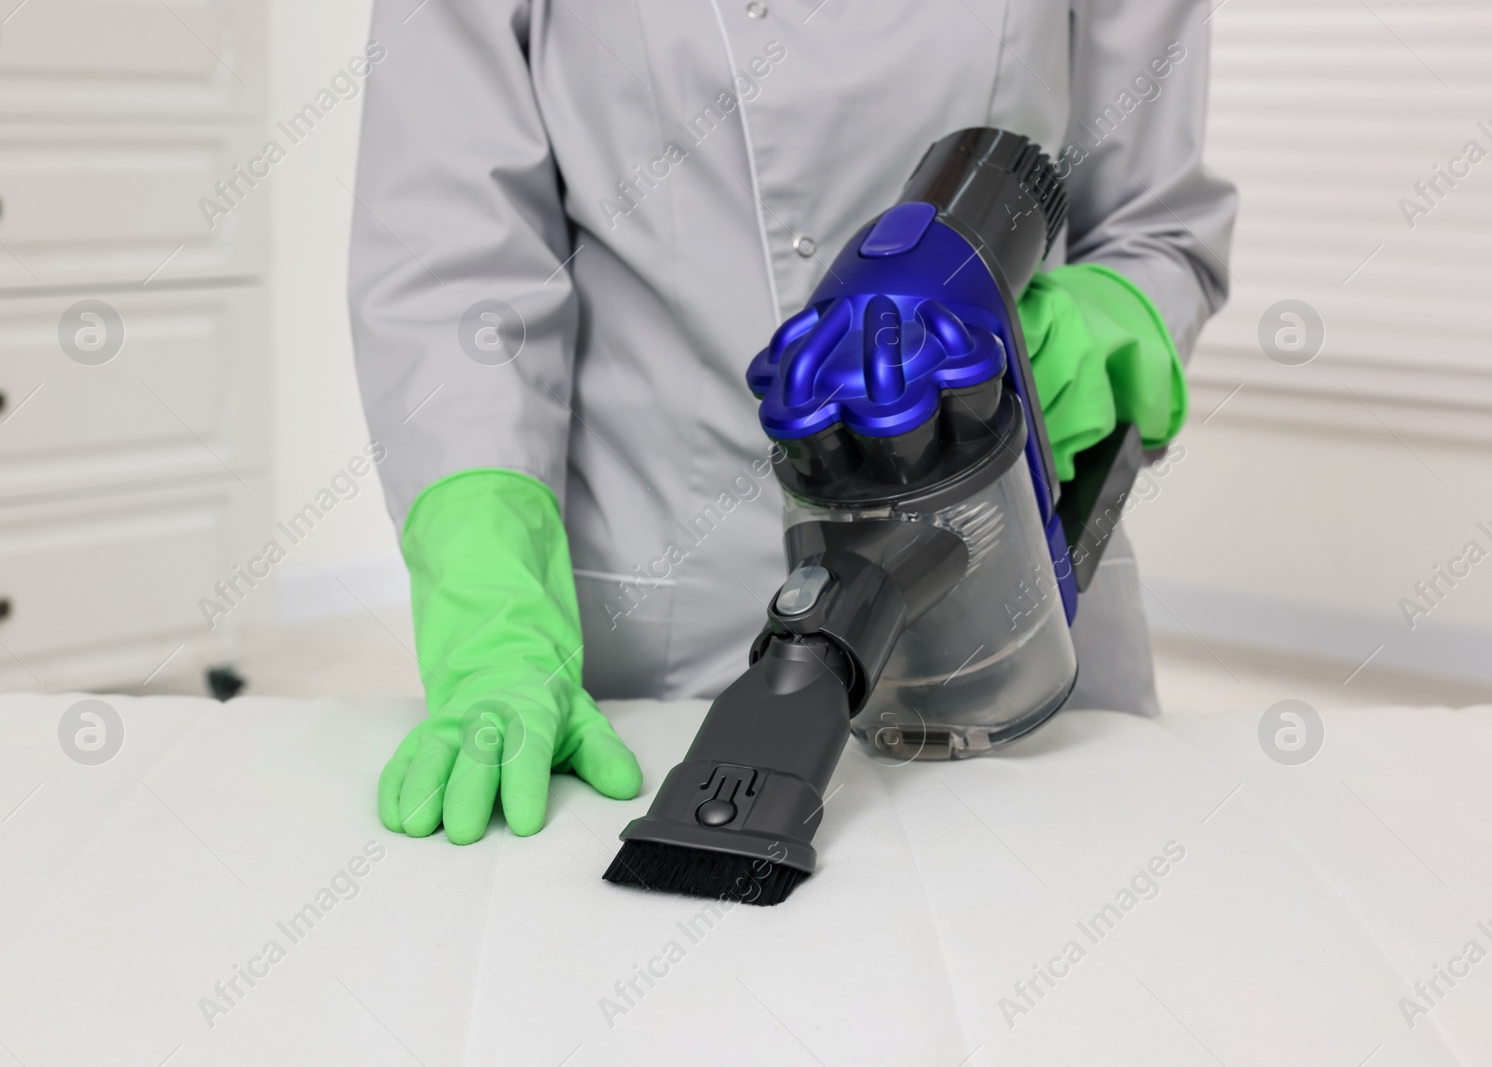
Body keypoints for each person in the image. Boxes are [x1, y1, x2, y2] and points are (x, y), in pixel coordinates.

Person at [349, 0, 1237, 844]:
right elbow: (452, 264)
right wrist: (491, 612)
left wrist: (1072, 344)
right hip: (658, 642)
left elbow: (1159, 231)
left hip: (1014, 621)